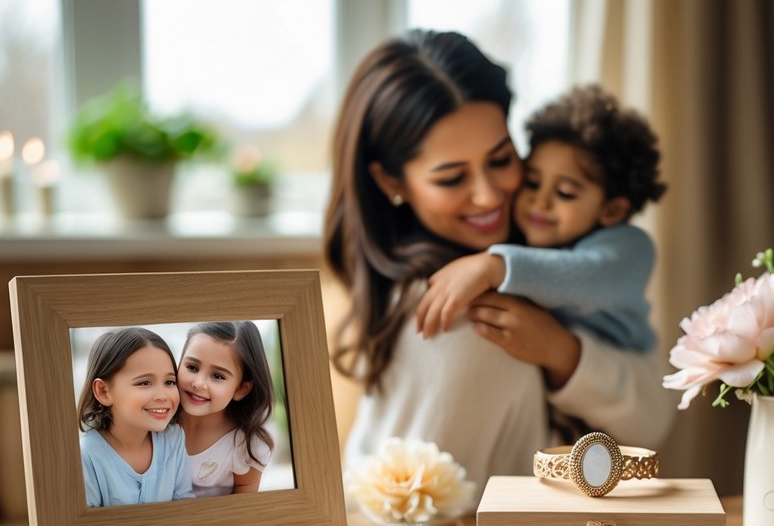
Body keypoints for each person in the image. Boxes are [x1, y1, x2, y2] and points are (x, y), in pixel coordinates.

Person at [325, 29, 674, 491]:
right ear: (391, 180)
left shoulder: (555, 250)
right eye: (451, 178)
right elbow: (421, 507)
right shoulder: (455, 311)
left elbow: (652, 417)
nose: (490, 195)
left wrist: (560, 351)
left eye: (501, 159)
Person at [414, 84, 666, 354]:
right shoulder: (524, 240)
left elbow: (579, 273)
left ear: (612, 210)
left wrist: (493, 267)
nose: (540, 202)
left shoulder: (632, 248)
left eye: (564, 193)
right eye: (533, 183)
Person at [77, 327, 194, 508]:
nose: (162, 395)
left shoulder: (174, 438)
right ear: (104, 391)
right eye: (145, 383)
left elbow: (185, 507)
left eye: (169, 382)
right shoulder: (86, 456)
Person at [176, 321, 276, 496]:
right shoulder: (156, 421)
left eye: (217, 376)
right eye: (192, 367)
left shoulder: (246, 446)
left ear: (241, 389)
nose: (198, 383)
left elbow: (242, 511)